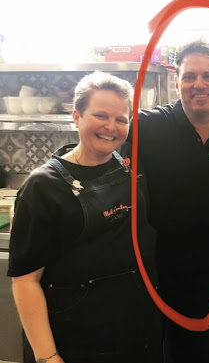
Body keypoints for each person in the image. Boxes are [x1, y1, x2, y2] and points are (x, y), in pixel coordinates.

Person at [8, 71, 162, 363]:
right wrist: (48, 357)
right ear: (76, 117)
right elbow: (25, 281)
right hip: (76, 339)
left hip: (134, 330)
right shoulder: (42, 187)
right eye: (100, 115)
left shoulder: (129, 166)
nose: (111, 127)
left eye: (121, 119)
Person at [128, 40, 209, 363]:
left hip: (206, 266)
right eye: (189, 76)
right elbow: (106, 155)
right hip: (150, 264)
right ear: (177, 82)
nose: (199, 84)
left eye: (208, 76)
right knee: (149, 346)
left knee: (194, 348)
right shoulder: (147, 126)